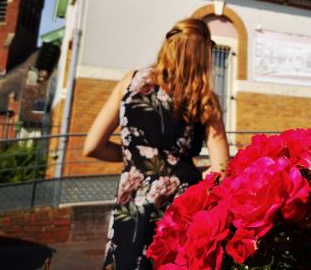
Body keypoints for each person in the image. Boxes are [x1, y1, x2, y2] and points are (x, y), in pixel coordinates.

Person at [83, 18, 230, 270]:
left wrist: (136, 156)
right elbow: (222, 169)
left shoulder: (131, 81)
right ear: (202, 54)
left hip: (131, 206)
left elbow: (92, 146)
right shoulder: (204, 99)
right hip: (179, 210)